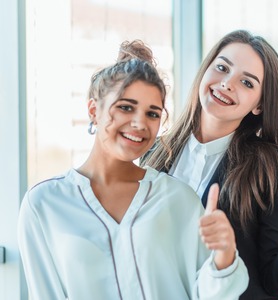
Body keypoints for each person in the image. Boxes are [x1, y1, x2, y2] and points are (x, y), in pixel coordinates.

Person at [17, 40, 249, 300]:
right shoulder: (44, 204)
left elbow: (209, 294)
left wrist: (225, 254)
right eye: (126, 107)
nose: (139, 123)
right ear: (94, 110)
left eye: (152, 113)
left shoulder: (178, 199)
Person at [141, 30, 278, 300]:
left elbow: (274, 282)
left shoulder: (270, 166)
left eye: (247, 83)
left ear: (259, 105)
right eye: (222, 68)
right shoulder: (154, 152)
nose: (227, 83)